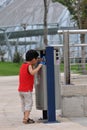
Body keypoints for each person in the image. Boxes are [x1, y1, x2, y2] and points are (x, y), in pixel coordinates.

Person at [18, 49, 43, 124]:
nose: (36, 61)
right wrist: (39, 66)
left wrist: (38, 60)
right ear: (33, 59)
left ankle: (26, 117)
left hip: (21, 90)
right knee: (29, 104)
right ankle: (25, 119)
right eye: (36, 59)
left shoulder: (23, 65)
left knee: (24, 104)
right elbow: (32, 72)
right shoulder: (29, 66)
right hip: (27, 90)